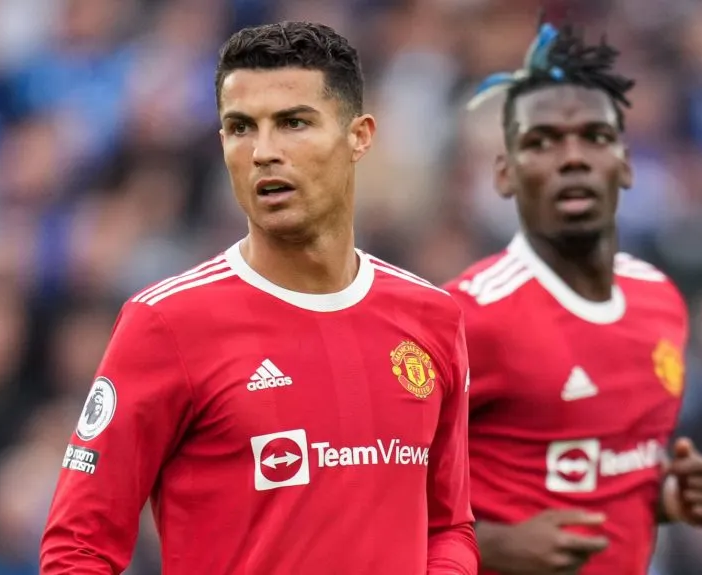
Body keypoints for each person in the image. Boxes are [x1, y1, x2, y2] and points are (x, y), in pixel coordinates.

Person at [40, 21, 478, 575]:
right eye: (241, 127)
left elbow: (449, 527)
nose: (264, 151)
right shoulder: (166, 323)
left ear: (359, 136)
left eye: (294, 123)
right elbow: (78, 550)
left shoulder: (431, 317)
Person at [444, 20, 702, 575]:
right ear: (504, 174)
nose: (572, 158)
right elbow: (369, 484)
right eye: (541, 141)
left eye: (594, 138)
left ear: (625, 162)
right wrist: (495, 547)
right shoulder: (467, 318)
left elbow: (602, 474)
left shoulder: (659, 302)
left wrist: (667, 499)